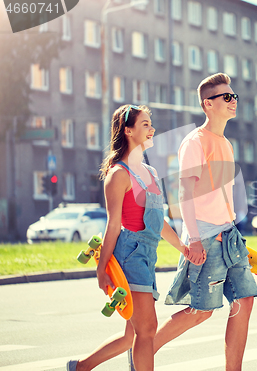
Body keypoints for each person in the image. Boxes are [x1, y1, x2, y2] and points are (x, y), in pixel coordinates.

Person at [67, 104, 189, 371]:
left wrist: (183, 247)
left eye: (150, 123)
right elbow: (113, 226)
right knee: (148, 329)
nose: (152, 128)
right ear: (128, 130)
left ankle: (79, 367)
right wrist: (102, 269)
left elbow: (159, 222)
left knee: (131, 335)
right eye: (145, 124)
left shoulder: (152, 173)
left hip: (147, 256)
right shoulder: (118, 175)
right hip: (129, 254)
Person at [152, 73, 257, 371]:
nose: (233, 101)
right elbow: (183, 192)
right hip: (206, 235)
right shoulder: (195, 142)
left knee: (245, 300)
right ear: (207, 105)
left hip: (229, 234)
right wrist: (194, 238)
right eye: (226, 97)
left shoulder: (224, 142)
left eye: (234, 95)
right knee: (201, 311)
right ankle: (143, 353)